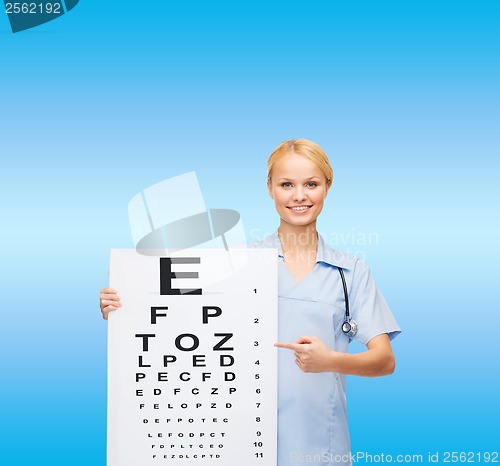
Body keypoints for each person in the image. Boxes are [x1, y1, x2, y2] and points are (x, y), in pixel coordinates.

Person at [100, 138, 401, 465]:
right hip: (236, 443)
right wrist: (123, 305)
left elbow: (384, 360)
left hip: (319, 446)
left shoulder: (351, 272)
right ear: (270, 188)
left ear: (327, 187)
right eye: (287, 184)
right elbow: (177, 315)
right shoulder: (238, 261)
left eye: (311, 184)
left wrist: (329, 361)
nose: (299, 195)